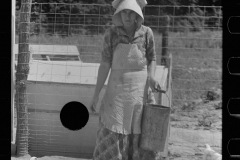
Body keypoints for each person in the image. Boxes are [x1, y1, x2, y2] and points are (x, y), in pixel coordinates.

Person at [89, 0, 164, 159]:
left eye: (131, 12)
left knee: (141, 127)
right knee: (113, 126)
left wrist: (151, 77)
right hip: (116, 94)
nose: (128, 16)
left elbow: (152, 59)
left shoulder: (146, 33)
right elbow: (104, 65)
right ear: (119, 14)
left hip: (140, 93)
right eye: (124, 12)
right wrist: (96, 95)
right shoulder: (111, 34)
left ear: (138, 14)